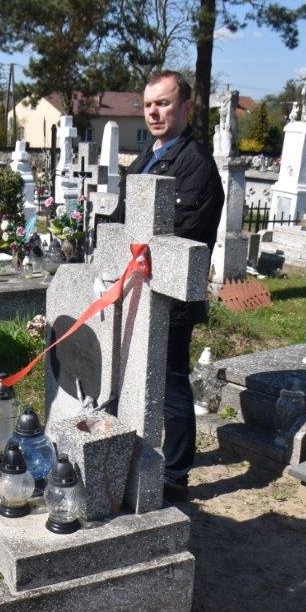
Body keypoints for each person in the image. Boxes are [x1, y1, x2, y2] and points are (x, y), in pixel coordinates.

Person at [114, 71, 224, 503]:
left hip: (168, 298)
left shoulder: (196, 163)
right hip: (135, 290)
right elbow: (125, 216)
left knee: (170, 384)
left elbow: (183, 231)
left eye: (164, 103)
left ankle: (176, 473)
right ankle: (131, 450)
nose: (154, 112)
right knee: (134, 377)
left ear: (186, 108)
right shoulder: (150, 154)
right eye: (148, 105)